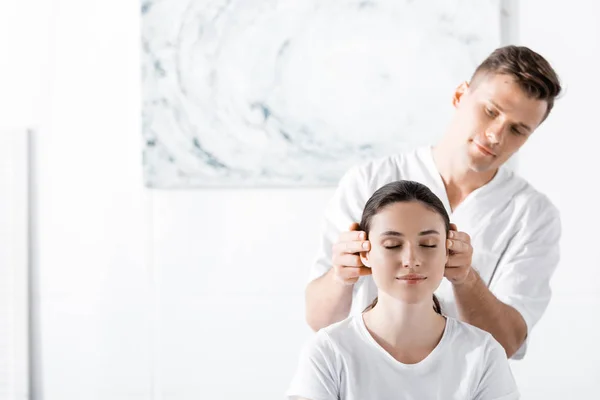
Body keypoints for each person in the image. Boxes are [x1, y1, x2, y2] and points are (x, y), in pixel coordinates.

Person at [305, 45, 562, 359]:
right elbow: (320, 322)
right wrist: (340, 276)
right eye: (490, 111)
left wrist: (466, 279)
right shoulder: (367, 181)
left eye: (517, 130)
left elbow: (507, 342)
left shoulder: (533, 215)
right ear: (459, 96)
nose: (496, 135)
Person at [288, 181, 519, 399]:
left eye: (428, 245)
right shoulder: (329, 351)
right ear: (365, 252)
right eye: (392, 245)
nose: (411, 260)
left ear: (449, 249)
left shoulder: (483, 353)